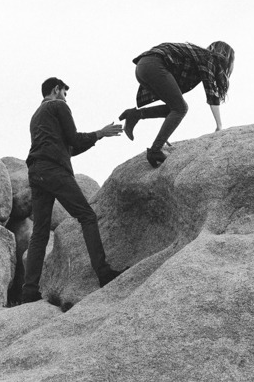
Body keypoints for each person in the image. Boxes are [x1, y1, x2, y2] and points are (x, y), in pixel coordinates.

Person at [19, 76, 123, 303]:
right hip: (54, 170)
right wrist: (100, 133)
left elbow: (69, 148)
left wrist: (96, 137)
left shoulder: (37, 115)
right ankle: (103, 273)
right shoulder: (58, 106)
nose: (66, 97)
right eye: (65, 92)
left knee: (40, 231)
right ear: (56, 90)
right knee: (86, 216)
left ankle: (29, 291)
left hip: (36, 172)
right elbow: (73, 139)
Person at [119, 40, 234, 167]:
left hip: (143, 66)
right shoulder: (209, 58)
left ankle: (134, 115)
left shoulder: (199, 58)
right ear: (224, 56)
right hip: (154, 64)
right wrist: (219, 126)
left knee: (174, 108)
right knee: (181, 109)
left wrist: (166, 130)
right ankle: (155, 151)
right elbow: (211, 93)